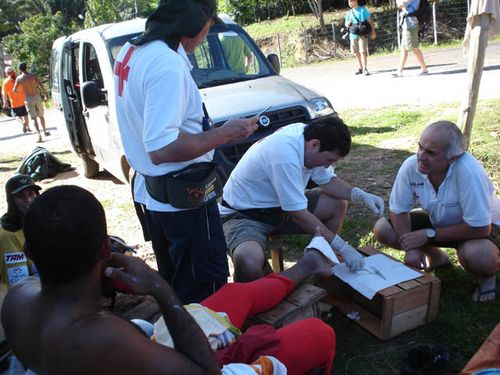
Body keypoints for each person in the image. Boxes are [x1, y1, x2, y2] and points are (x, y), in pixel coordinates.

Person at [1, 185, 336, 374]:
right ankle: (308, 266)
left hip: (147, 352)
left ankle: (306, 266)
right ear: (106, 249)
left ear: (29, 250)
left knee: (234, 295)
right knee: (319, 333)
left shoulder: (18, 298)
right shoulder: (101, 336)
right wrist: (159, 289)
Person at [113, 0, 259, 304]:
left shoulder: (132, 50)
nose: (207, 34)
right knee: (205, 287)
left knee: (177, 282)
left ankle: (185, 341)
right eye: (208, 26)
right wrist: (223, 134)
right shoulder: (166, 64)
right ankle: (209, 347)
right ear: (193, 25)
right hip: (183, 200)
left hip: (156, 196)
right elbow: (162, 148)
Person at [220, 115, 385, 282]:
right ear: (314, 145)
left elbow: (327, 181)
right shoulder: (284, 152)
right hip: (244, 215)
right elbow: (298, 214)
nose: (327, 166)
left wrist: (358, 194)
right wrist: (342, 246)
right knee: (248, 262)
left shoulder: (308, 139)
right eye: (329, 160)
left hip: (279, 208)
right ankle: (257, 297)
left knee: (336, 203)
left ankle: (322, 258)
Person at [373, 121, 499, 302]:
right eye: (420, 147)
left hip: (481, 229)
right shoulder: (411, 166)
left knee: (479, 256)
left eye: (431, 153)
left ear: (452, 158)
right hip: (440, 222)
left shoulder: (468, 172)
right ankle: (437, 258)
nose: (421, 156)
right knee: (383, 228)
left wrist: (428, 234)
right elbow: (398, 211)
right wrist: (411, 247)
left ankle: (487, 279)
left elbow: (481, 228)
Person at [0, 174, 40, 288]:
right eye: (20, 196)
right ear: (11, 201)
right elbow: (18, 284)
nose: (28, 200)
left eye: (31, 194)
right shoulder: (8, 233)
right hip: (32, 285)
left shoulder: (40, 220)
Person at [13, 63, 50, 143]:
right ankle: (45, 131)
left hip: (28, 99)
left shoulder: (19, 78)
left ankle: (39, 135)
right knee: (41, 116)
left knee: (34, 118)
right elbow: (41, 85)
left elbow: (14, 90)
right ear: (26, 68)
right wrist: (45, 95)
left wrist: (21, 91)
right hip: (36, 96)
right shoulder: (33, 75)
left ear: (20, 69)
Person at [392, 0, 428, 77]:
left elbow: (400, 3)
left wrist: (400, 3)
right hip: (406, 23)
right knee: (404, 49)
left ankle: (424, 69)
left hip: (411, 24)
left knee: (414, 48)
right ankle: (399, 71)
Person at [344, 0, 377, 76]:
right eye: (349, 1)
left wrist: (373, 31)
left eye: (351, 1)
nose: (350, 3)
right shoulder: (348, 13)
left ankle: (365, 68)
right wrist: (348, 24)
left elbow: (369, 21)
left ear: (356, 1)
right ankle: (361, 68)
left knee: (363, 51)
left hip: (362, 34)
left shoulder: (363, 10)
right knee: (356, 52)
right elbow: (346, 24)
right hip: (353, 35)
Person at [2, 67, 31, 134]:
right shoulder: (18, 79)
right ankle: (28, 128)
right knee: (25, 114)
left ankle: (23, 123)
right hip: (23, 100)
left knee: (16, 115)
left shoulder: (5, 82)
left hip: (14, 102)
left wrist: (5, 103)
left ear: (6, 73)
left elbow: (4, 94)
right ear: (13, 71)